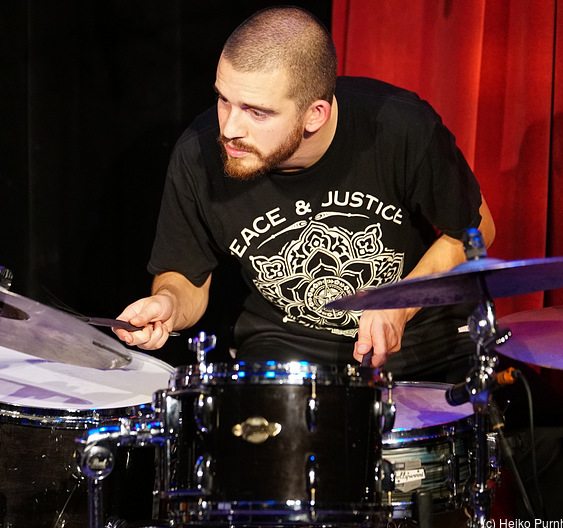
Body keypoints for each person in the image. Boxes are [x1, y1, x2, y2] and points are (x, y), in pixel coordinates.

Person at [113, 6, 494, 384]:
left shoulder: (401, 128)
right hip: (284, 356)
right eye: (223, 99)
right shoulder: (196, 155)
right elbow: (185, 278)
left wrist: (398, 303)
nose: (229, 128)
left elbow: (476, 231)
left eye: (256, 112)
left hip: (426, 350)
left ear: (315, 114)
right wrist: (168, 304)